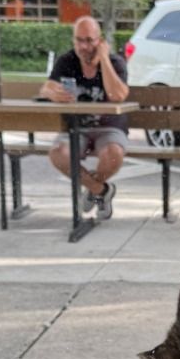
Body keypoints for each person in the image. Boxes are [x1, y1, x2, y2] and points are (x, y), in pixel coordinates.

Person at [41, 15, 130, 222]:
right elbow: (48, 86)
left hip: (109, 128)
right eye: (79, 40)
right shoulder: (67, 60)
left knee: (113, 154)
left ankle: (92, 191)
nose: (83, 46)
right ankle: (100, 190)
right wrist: (54, 93)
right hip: (75, 127)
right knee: (58, 154)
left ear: (99, 41)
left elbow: (117, 95)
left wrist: (104, 59)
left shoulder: (116, 62)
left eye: (89, 40)